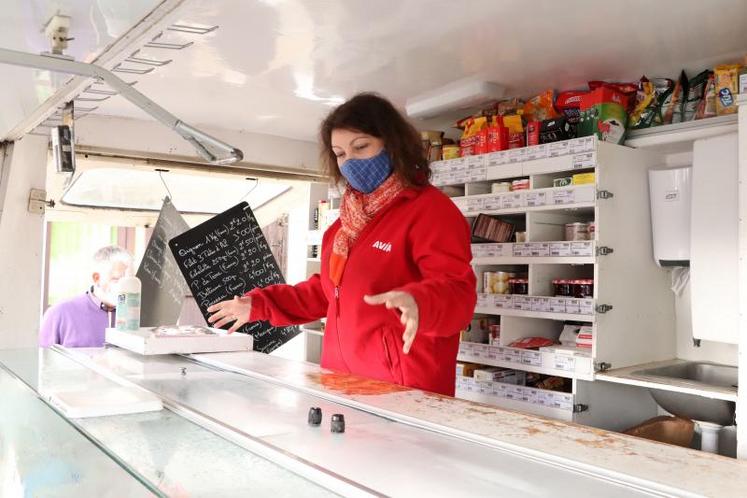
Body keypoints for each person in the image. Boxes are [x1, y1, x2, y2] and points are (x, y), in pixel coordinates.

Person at [208, 93, 476, 395]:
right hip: (342, 385)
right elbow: (328, 293)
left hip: (406, 391)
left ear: (393, 143)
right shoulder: (342, 227)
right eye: (340, 154)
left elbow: (457, 290)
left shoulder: (430, 211)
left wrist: (420, 302)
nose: (350, 161)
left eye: (361, 147)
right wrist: (260, 304)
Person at [39, 245, 133, 348]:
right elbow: (44, 361)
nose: (127, 288)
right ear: (96, 278)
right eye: (117, 279)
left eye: (131, 281)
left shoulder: (137, 315)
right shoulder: (59, 314)